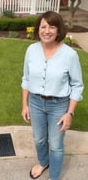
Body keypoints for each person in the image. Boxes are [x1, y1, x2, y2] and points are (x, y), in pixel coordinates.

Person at [21, 11, 84, 180]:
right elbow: (26, 79)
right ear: (38, 29)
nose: (46, 31)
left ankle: (54, 176)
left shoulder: (70, 55)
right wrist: (25, 105)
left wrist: (69, 113)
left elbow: (77, 86)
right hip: (35, 103)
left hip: (59, 105)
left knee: (56, 145)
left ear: (58, 30)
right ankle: (43, 162)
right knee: (40, 139)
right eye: (43, 26)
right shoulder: (31, 50)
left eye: (52, 27)